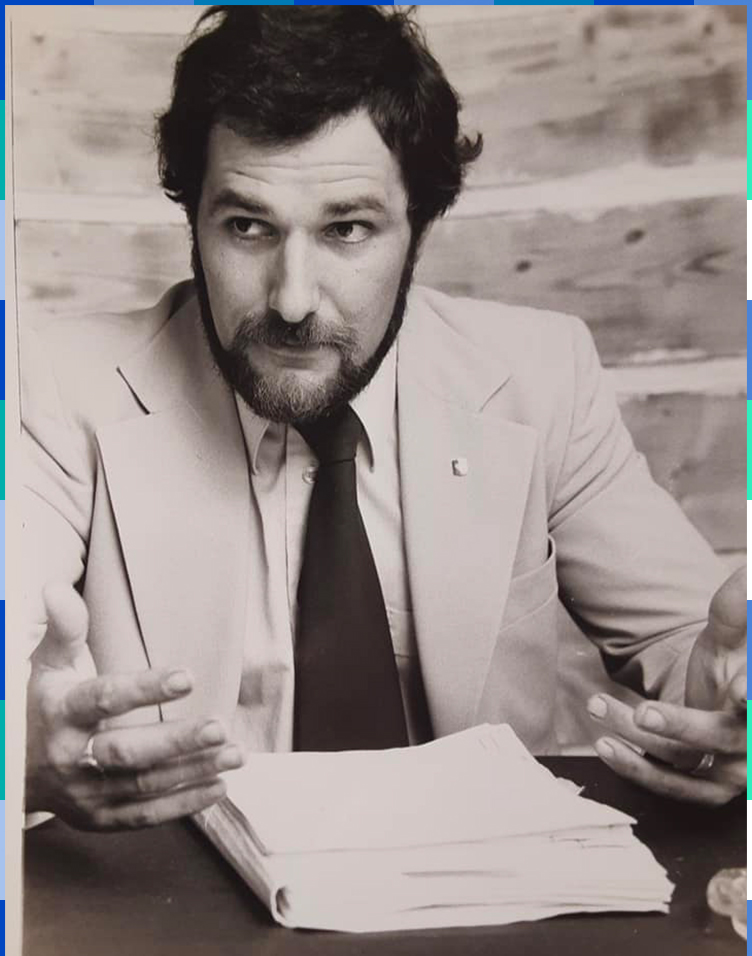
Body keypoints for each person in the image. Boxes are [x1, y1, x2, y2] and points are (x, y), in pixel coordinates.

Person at [22, 5, 746, 832]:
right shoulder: (63, 385)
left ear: (418, 229)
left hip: (484, 918)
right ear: (193, 220)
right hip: (187, 929)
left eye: (348, 229)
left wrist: (724, 714)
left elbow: (702, 646)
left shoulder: (543, 380)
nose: (293, 299)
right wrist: (24, 753)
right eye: (248, 226)